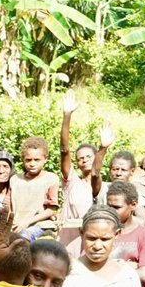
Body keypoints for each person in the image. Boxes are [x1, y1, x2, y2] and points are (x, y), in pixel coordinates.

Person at [72, 181, 145, 287]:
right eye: (109, 206)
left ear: (133, 205)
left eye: (116, 207)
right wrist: (128, 266)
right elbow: (85, 268)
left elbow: (144, 274)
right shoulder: (98, 232)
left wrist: (102, 268)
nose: (111, 211)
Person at [57, 91, 105, 245]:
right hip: (69, 240)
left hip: (92, 240)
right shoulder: (71, 182)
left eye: (88, 157)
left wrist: (103, 148)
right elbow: (64, 150)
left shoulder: (101, 186)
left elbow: (96, 173)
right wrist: (67, 115)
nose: (84, 160)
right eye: (80, 158)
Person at [11, 135, 60, 236]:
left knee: (26, 239)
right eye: (28, 160)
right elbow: (10, 207)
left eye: (37, 160)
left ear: (45, 159)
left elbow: (52, 209)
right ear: (23, 160)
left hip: (41, 228)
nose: (32, 164)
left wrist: (27, 221)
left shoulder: (51, 178)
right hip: (17, 227)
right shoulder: (15, 180)